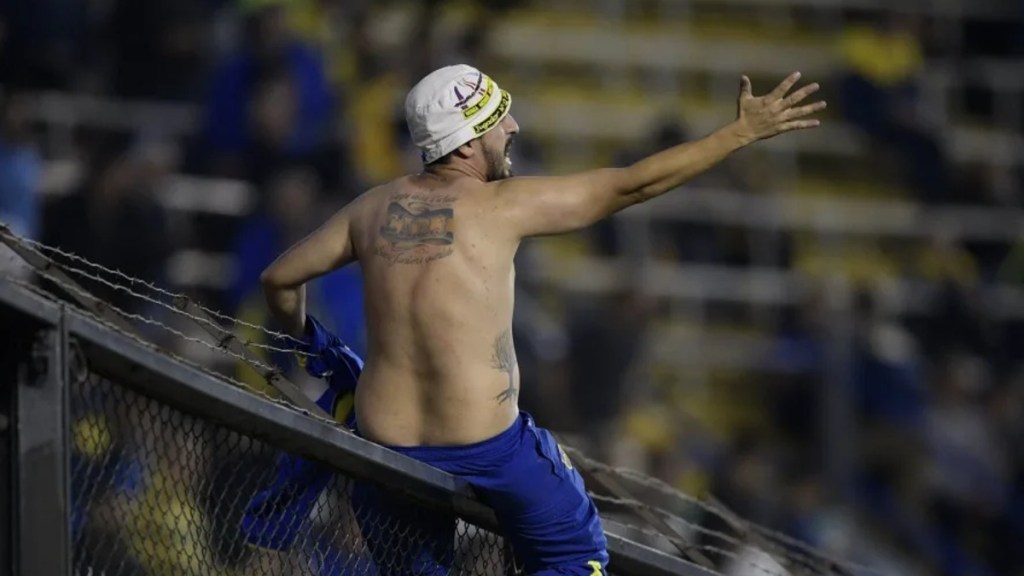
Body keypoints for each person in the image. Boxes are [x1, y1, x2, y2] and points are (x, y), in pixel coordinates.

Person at [260, 64, 825, 575]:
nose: (513, 129)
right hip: (489, 448)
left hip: (385, 447)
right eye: (499, 120)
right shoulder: (501, 204)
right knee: (580, 558)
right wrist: (740, 133)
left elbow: (280, 280)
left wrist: (312, 346)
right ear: (467, 141)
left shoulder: (370, 207)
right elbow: (634, 184)